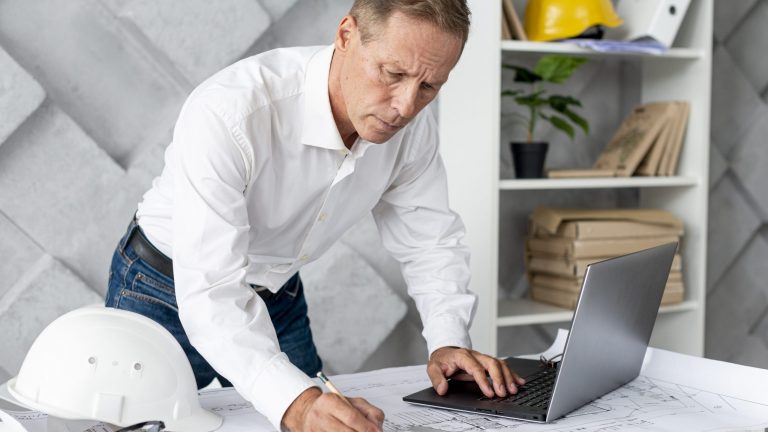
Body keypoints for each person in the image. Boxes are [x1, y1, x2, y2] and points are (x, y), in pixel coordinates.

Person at [105, 1, 525, 431]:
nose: (406, 106)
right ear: (346, 35)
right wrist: (298, 403)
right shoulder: (231, 111)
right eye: (393, 74)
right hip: (162, 287)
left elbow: (430, 240)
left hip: (276, 288)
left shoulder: (412, 130)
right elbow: (210, 290)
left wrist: (448, 339)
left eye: (429, 86)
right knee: (137, 426)